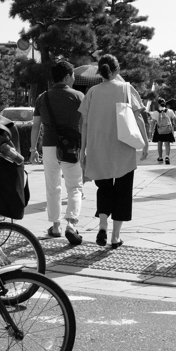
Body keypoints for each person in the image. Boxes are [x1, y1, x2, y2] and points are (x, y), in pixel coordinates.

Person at [78, 55, 149, 249]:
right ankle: (115, 237)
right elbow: (139, 117)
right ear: (117, 70)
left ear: (99, 71)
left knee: (104, 189)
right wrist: (146, 142)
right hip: (123, 147)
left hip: (98, 147)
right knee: (123, 192)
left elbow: (83, 123)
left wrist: (83, 150)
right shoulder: (126, 88)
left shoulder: (91, 92)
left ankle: (102, 225)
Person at [30, 61, 84, 244]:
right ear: (68, 77)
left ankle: (55, 227)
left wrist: (32, 149)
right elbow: (85, 124)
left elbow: (36, 126)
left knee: (53, 187)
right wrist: (86, 148)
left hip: (49, 147)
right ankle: (71, 223)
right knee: (75, 187)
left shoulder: (42, 98)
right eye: (73, 75)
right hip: (71, 147)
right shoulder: (78, 96)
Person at [152, 97, 176, 163]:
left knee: (159, 143)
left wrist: (152, 130)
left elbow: (153, 122)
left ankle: (160, 157)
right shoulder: (170, 111)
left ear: (158, 104)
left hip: (159, 130)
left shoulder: (156, 112)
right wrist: (175, 125)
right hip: (168, 129)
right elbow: (175, 119)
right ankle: (167, 156)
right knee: (167, 144)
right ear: (165, 104)